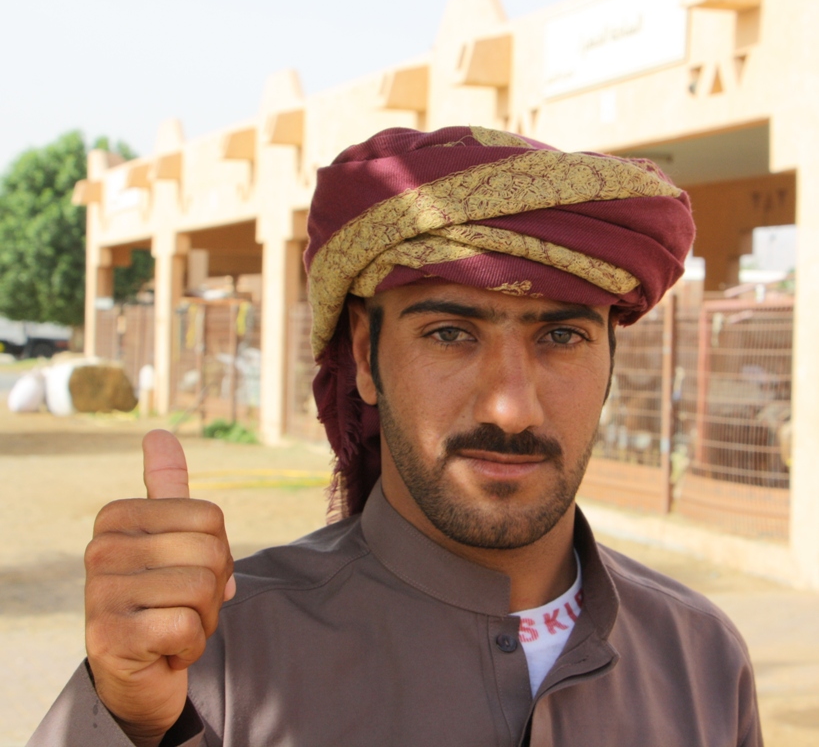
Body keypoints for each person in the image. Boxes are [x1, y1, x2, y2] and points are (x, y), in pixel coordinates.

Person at [29, 126, 762, 747]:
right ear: (364, 357)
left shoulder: (698, 656)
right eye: (449, 333)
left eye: (562, 336)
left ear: (610, 362)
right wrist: (124, 716)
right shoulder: (215, 654)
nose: (510, 409)